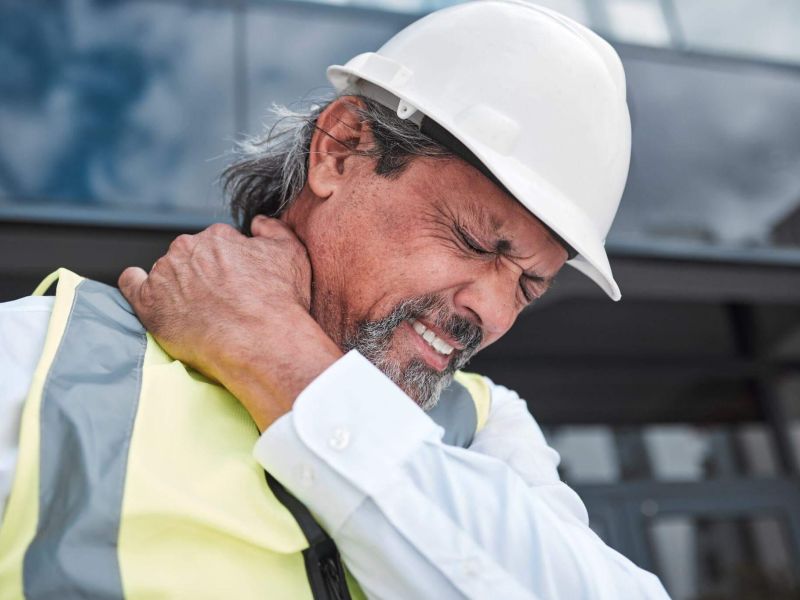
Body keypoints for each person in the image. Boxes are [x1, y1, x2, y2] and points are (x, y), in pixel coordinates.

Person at [0, 2, 670, 598]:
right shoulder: (41, 361)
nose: (493, 315)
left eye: (528, 286)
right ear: (342, 150)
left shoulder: (486, 422)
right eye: (475, 241)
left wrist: (279, 356)